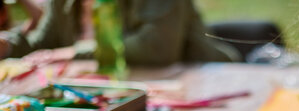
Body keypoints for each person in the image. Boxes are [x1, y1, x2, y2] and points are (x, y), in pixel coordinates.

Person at [0, 0, 239, 64]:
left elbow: (156, 47)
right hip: (108, 93)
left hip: (202, 86)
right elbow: (44, 43)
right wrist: (7, 45)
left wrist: (75, 53)